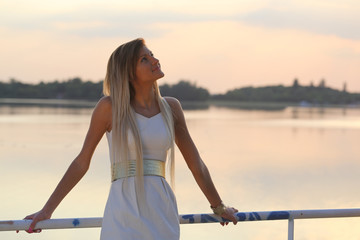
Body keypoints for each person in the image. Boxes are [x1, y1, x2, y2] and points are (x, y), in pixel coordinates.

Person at [22, 38, 238, 239]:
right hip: (124, 208)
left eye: (152, 54)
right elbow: (81, 162)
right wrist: (47, 210)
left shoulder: (171, 107)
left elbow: (196, 164)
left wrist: (218, 207)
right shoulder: (109, 108)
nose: (155, 60)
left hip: (162, 208)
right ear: (128, 72)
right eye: (145, 59)